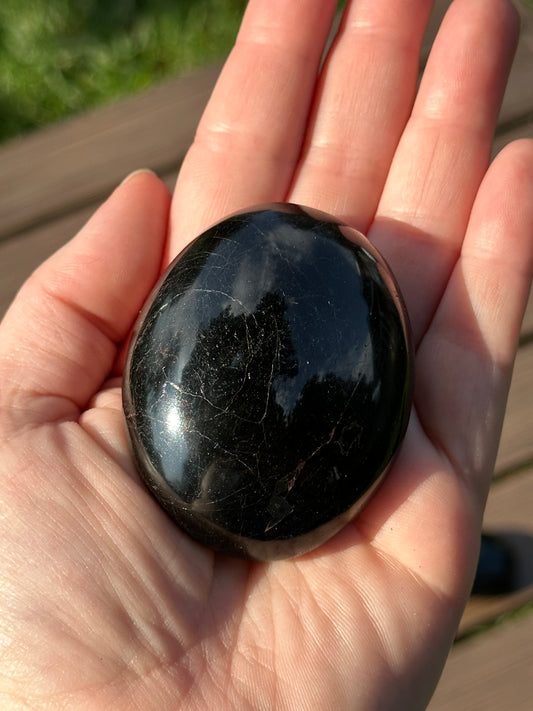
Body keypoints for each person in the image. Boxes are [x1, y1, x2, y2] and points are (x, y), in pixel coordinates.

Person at [0, 0, 531, 708]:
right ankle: (478, 568)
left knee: (420, 501)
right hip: (251, 488)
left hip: (314, 462)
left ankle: (474, 566)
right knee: (424, 499)